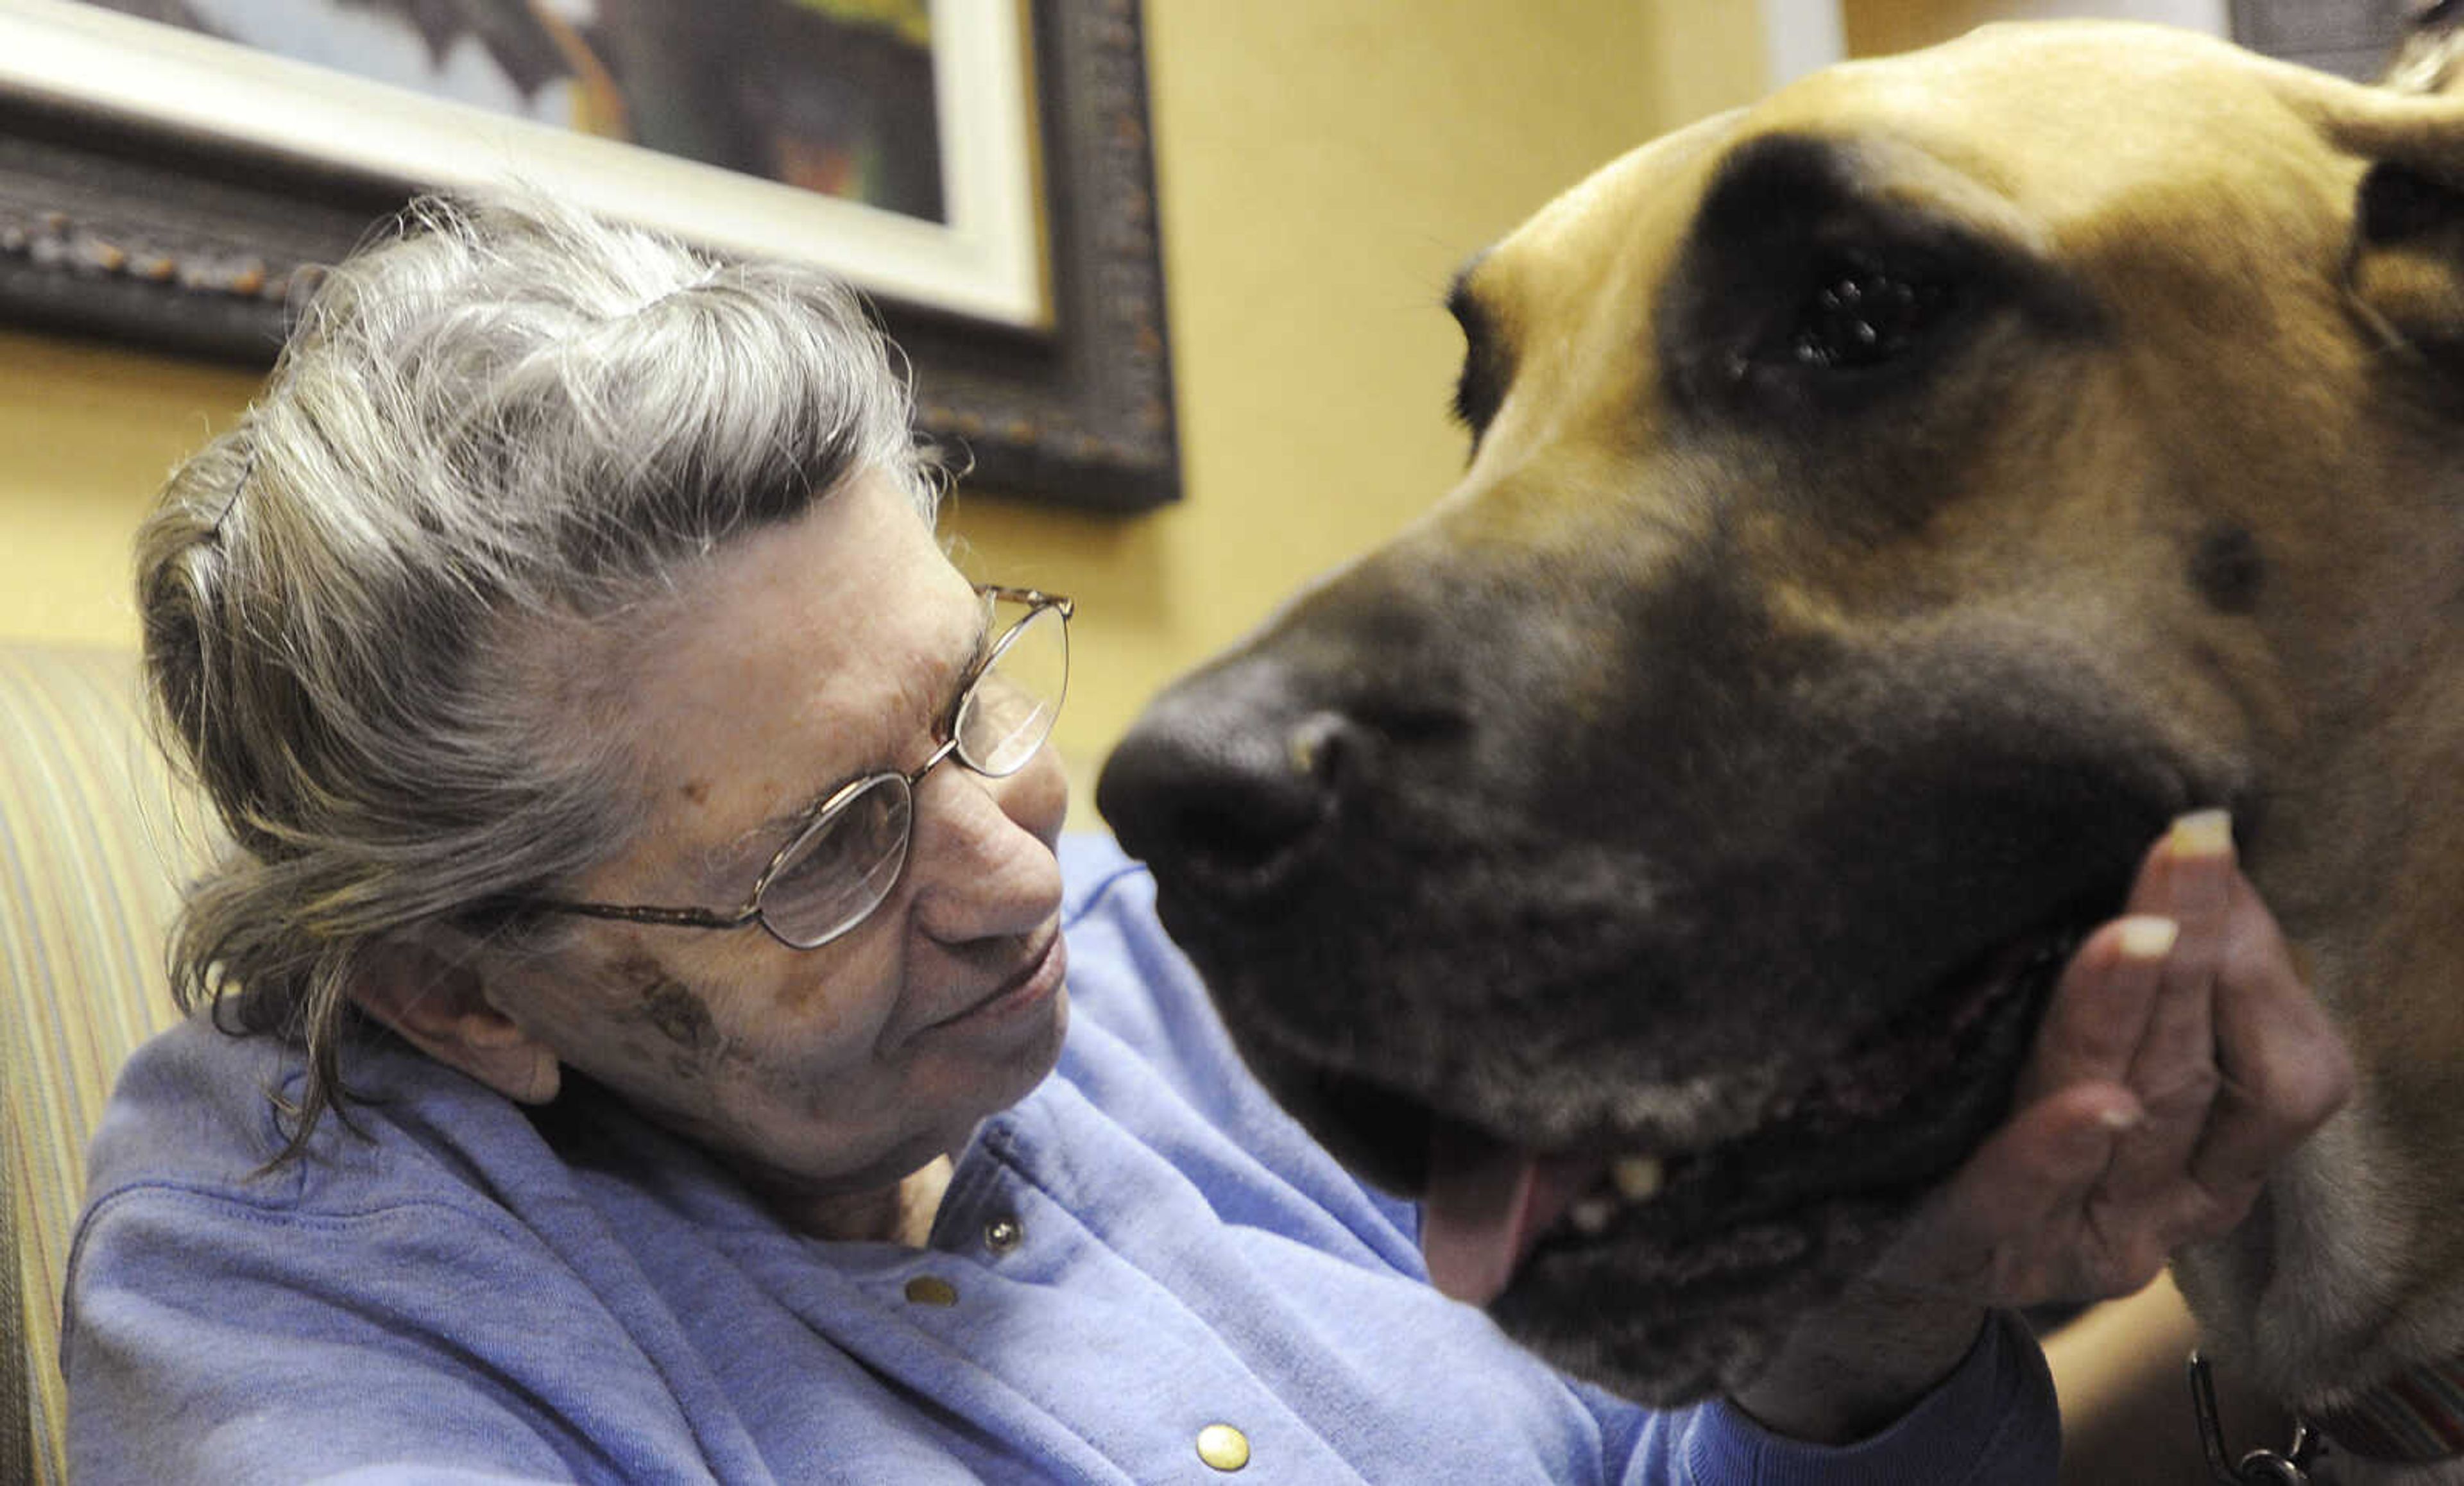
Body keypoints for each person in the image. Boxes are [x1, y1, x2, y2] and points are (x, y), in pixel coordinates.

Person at [64, 193, 2352, 1483]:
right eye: (832, 852)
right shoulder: (286, 1243)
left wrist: (1879, 1303)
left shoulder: (1176, 968)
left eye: (972, 700)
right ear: (468, 991)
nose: (1007, 869)